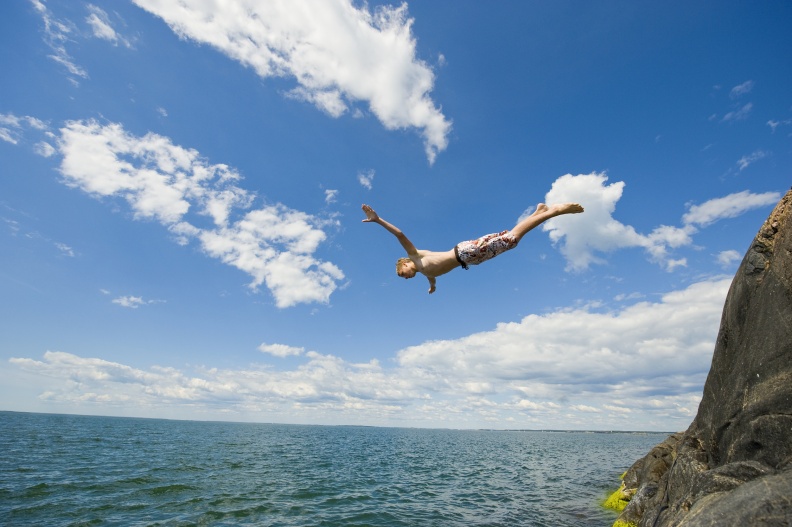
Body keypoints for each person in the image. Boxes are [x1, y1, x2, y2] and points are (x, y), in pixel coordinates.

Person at [361, 202, 584, 294]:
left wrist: (379, 220)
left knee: (511, 240)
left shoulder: (415, 256)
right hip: (469, 259)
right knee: (508, 240)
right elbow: (433, 278)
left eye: (403, 274)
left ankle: (554, 211)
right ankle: (538, 212)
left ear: (405, 263)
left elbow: (400, 234)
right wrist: (432, 287)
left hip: (465, 253)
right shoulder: (424, 272)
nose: (406, 277)